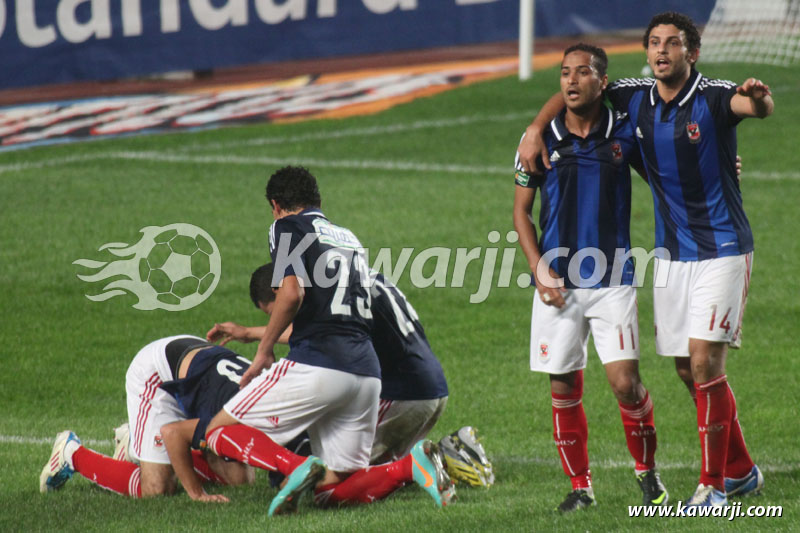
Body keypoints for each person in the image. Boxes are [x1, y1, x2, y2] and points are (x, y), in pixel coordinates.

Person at [517, 12, 773, 507]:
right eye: (654, 43)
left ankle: (712, 487)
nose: (661, 51)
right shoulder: (635, 96)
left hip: (722, 247)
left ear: (691, 53)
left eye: (672, 44)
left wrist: (759, 98)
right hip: (672, 253)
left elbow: (752, 106)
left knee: (703, 364)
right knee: (684, 368)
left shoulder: (714, 94)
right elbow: (576, 84)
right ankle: (740, 470)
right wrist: (534, 127)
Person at [193, 166, 455, 514]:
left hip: (317, 362)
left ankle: (291, 466)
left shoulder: (286, 225)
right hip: (366, 375)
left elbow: (290, 293)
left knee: (218, 431)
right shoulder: (349, 237)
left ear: (275, 205)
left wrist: (264, 349)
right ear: (319, 200)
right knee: (332, 489)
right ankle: (409, 467)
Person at [513, 43, 668, 512]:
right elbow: (521, 214)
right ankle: (581, 487)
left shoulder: (625, 134)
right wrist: (538, 269)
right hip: (557, 284)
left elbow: (666, 178)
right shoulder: (538, 143)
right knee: (563, 386)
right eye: (564, 73)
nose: (571, 81)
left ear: (602, 82)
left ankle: (649, 477)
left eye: (582, 73)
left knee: (625, 382)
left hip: (611, 278)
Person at [208, 263, 455, 466]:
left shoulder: (323, 295)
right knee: (378, 471)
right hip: (430, 387)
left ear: (278, 292)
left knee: (332, 476)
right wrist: (250, 333)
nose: (279, 319)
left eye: (275, 313)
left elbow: (322, 335)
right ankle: (444, 458)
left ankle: (452, 456)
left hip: (402, 394)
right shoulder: (352, 280)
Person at [39, 336, 253, 499]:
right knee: (157, 488)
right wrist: (197, 494)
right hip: (156, 375)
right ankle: (72, 454)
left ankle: (136, 443)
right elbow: (174, 433)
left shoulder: (264, 400)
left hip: (196, 361)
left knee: (238, 479)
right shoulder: (230, 413)